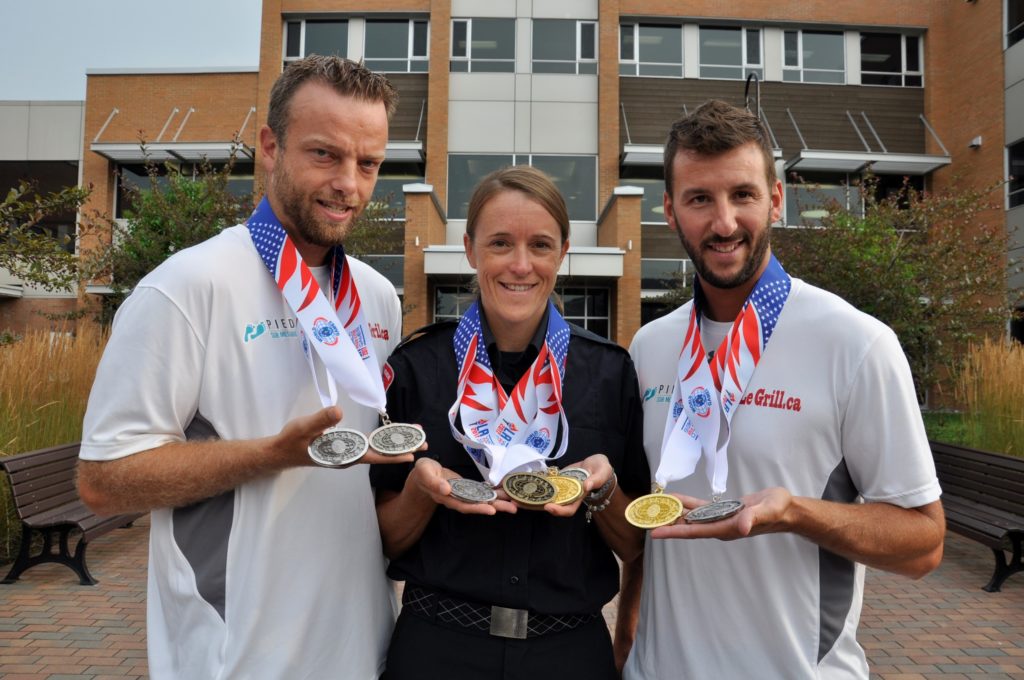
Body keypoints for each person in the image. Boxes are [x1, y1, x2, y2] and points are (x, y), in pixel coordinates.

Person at [77, 56, 414, 680]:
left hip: (362, 647)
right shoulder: (185, 286)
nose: (349, 184)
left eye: (367, 164)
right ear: (270, 146)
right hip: (234, 657)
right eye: (325, 155)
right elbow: (104, 480)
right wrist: (271, 454)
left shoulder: (375, 297)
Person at [621, 100, 945, 679]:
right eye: (700, 199)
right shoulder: (650, 346)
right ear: (670, 210)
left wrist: (795, 512)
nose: (723, 223)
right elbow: (653, 529)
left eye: (742, 195)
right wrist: (626, 645)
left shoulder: (856, 343)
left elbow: (924, 544)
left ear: (775, 198)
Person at [371, 165, 650, 680]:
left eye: (540, 245)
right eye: (500, 243)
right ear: (471, 249)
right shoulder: (417, 368)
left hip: (568, 654)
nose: (521, 265)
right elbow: (385, 537)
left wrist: (602, 488)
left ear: (562, 253)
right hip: (437, 649)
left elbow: (634, 544)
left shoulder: (609, 374)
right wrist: (421, 490)